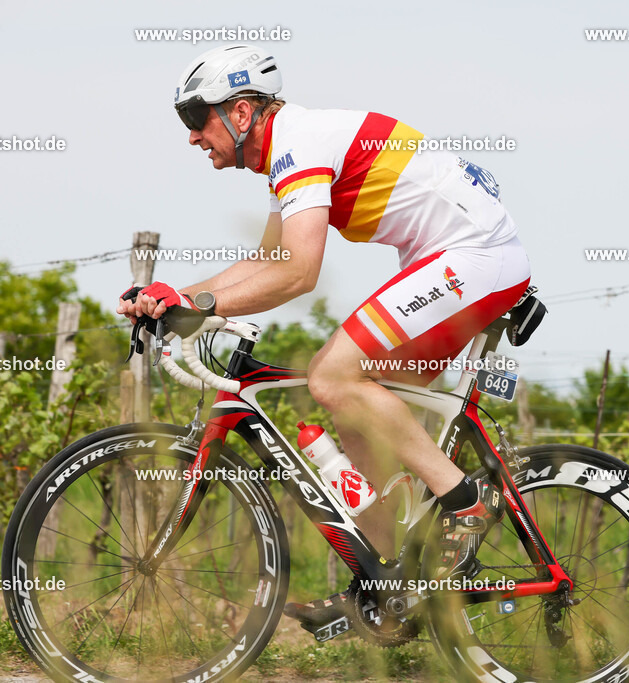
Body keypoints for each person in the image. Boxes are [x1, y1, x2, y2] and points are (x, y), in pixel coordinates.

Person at [117, 44, 531, 632]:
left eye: (195, 118)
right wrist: (174, 296)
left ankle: (466, 503)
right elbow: (268, 259)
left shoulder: (298, 143)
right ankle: (397, 584)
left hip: (475, 257)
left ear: (239, 113)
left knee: (331, 376)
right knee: (354, 409)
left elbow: (298, 273)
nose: (190, 137)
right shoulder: (290, 154)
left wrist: (201, 304)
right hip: (447, 258)